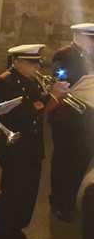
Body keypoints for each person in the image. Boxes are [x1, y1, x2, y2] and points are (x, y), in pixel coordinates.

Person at [0, 44, 67, 239]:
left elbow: (37, 109)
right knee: (12, 193)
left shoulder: (31, 80)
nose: (36, 67)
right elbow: (18, 116)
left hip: (32, 146)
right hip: (14, 147)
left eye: (37, 63)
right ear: (17, 62)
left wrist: (52, 97)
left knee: (28, 193)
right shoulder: (5, 82)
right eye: (31, 63)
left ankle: (16, 231)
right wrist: (48, 97)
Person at [49, 23, 94, 222]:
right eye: (91, 39)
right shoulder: (63, 55)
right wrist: (72, 83)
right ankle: (58, 202)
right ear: (78, 36)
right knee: (64, 162)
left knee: (81, 160)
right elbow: (59, 78)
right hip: (66, 117)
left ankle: (70, 200)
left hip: (87, 117)